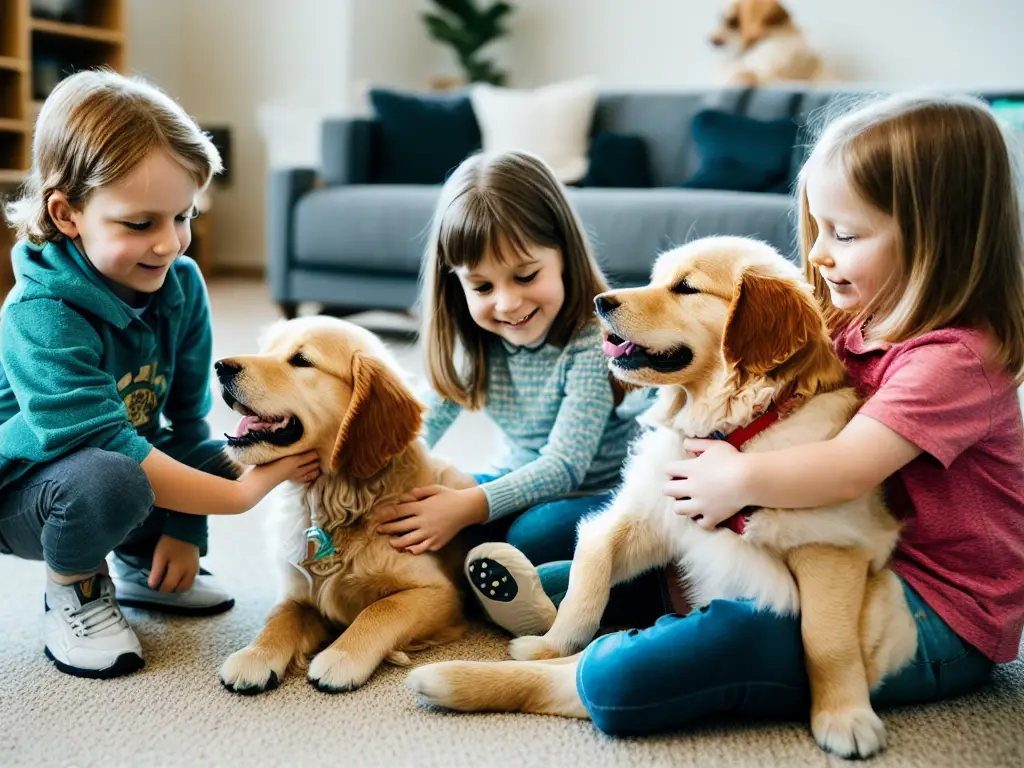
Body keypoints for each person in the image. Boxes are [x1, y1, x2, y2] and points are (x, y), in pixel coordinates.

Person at [467, 93, 1024, 735]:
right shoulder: (854, 322)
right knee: (550, 533)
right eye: (818, 230)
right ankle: (583, 596)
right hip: (807, 551)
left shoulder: (954, 362)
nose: (817, 255)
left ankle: (594, 669)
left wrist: (736, 480)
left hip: (930, 602)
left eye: (843, 236)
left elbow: (845, 471)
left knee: (654, 673)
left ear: (939, 239)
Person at [0, 71, 318, 680]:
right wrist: (240, 495)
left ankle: (144, 562)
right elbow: (108, 447)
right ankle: (75, 587)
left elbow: (189, 421)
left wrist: (183, 528)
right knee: (109, 478)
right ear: (67, 214)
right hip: (24, 490)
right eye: (140, 224)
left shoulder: (181, 285)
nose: (170, 244)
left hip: (118, 463)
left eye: (183, 216)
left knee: (208, 448)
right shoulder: (42, 314)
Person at [376, 150, 647, 582]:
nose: (507, 303)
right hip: (515, 479)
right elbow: (417, 431)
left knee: (533, 534)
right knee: (429, 498)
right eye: (482, 286)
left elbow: (564, 468)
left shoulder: (589, 341)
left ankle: (539, 579)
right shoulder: (475, 338)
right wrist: (381, 477)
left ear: (564, 254)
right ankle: (499, 574)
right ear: (457, 284)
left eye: (525, 277)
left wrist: (466, 508)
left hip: (597, 492)